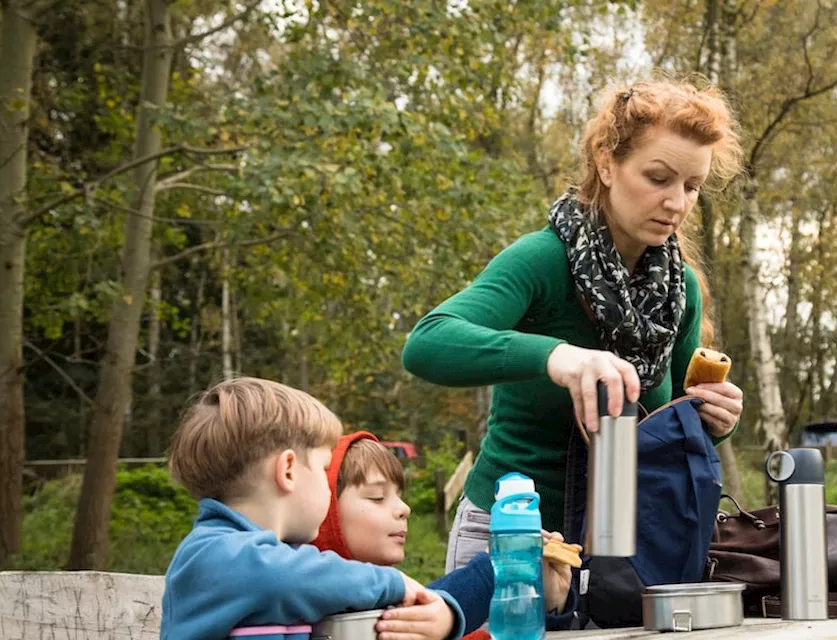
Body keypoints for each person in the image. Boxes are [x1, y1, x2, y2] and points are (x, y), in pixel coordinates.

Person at [401, 78, 747, 572]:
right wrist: (557, 356)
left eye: (691, 186)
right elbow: (428, 343)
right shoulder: (543, 259)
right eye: (658, 178)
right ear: (607, 164)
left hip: (629, 544)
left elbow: (668, 430)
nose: (677, 202)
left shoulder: (681, 289)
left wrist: (712, 422)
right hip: (513, 537)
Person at [160, 377, 463, 640]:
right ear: (288, 470)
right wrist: (393, 582)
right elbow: (288, 577)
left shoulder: (285, 563)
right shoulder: (214, 553)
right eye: (323, 467)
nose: (327, 485)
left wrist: (441, 613)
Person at [310, 431, 576, 637]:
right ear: (324, 512)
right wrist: (490, 569)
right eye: (378, 497)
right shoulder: (317, 602)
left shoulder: (382, 598)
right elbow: (418, 616)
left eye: (399, 496)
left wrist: (548, 603)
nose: (405, 509)